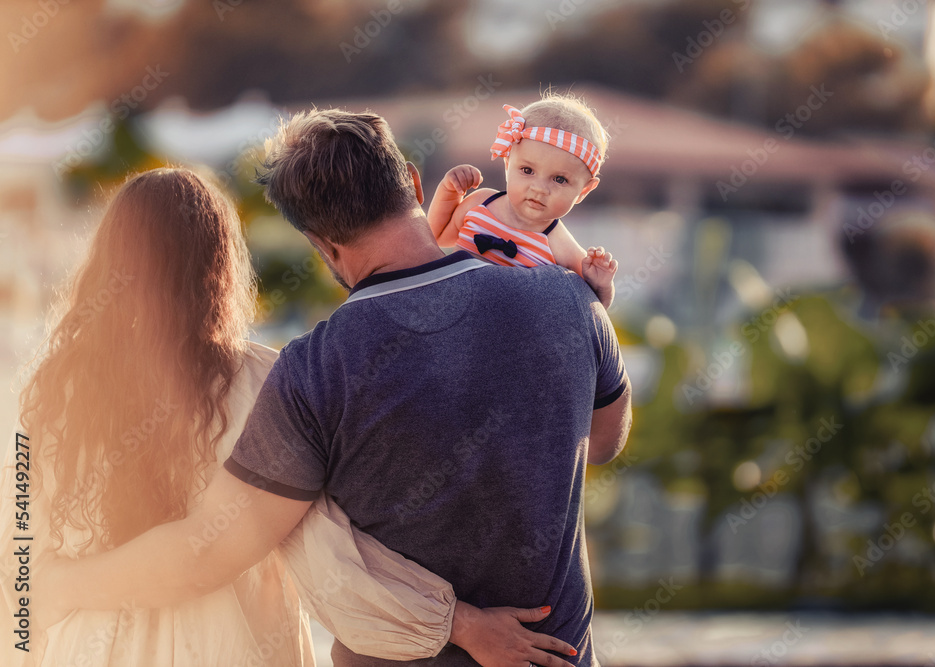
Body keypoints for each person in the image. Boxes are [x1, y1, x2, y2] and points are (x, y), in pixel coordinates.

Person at [36, 107, 633, 665]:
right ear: (413, 184)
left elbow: (208, 551)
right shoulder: (569, 302)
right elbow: (602, 441)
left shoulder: (313, 370)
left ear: (321, 244)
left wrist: (51, 586)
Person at [427, 94, 619, 309]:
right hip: (452, 312)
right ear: (508, 163)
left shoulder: (559, 244)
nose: (539, 188)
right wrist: (449, 192)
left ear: (584, 190)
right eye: (527, 170)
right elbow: (437, 236)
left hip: (510, 330)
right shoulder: (481, 204)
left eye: (559, 179)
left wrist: (601, 284)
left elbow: (592, 308)